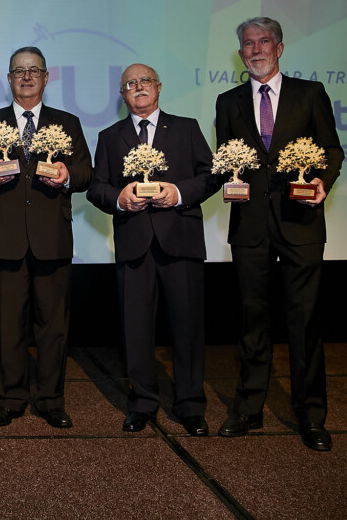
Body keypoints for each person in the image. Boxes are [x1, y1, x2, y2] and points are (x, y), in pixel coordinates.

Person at [215, 17, 343, 452]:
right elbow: (227, 159)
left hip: (300, 221)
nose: (255, 49)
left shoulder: (310, 93)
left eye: (263, 41)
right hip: (249, 225)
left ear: (280, 48)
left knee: (304, 322)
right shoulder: (227, 101)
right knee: (252, 320)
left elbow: (332, 148)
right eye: (247, 44)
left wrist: (322, 180)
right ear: (240, 52)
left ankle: (311, 416)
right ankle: (248, 409)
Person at [87, 63, 221, 435]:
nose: (138, 87)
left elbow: (211, 175)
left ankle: (191, 407)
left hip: (181, 240)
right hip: (133, 244)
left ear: (159, 87)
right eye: (130, 83)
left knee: (188, 327)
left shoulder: (186, 127)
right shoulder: (110, 136)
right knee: (135, 329)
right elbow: (96, 187)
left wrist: (177, 193)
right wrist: (119, 198)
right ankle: (143, 403)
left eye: (144, 81)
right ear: (122, 94)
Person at [0, 46, 91, 429]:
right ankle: (10, 399)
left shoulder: (66, 121)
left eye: (34, 70)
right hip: (5, 237)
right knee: (7, 324)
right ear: (8, 78)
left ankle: (52, 400)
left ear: (46, 77)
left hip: (52, 238)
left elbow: (87, 172)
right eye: (18, 70)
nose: (26, 76)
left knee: (53, 326)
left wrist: (67, 175)